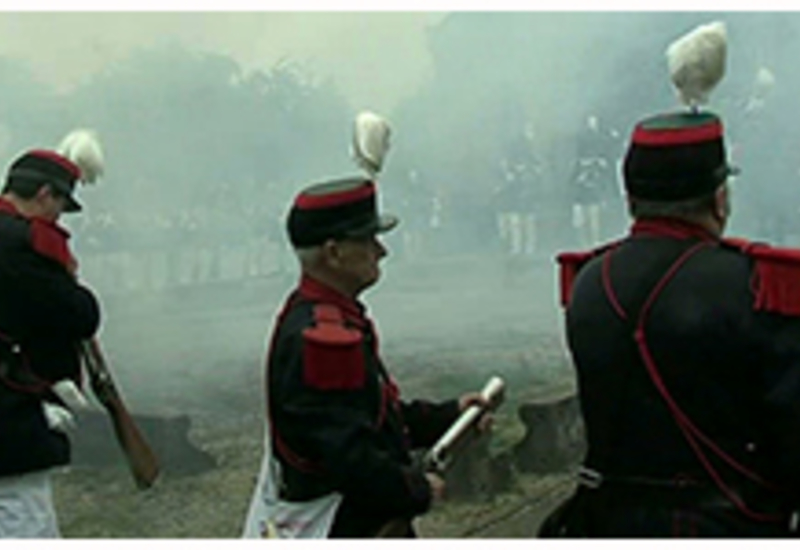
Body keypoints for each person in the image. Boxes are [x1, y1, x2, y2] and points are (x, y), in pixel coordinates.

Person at [540, 109, 800, 537]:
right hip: (728, 524)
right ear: (719, 199)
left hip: (606, 525)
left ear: (631, 200)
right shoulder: (756, 285)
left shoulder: (588, 281)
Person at [243, 176, 490, 538]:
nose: (381, 251)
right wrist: (414, 490)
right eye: (367, 240)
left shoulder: (326, 316)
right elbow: (348, 454)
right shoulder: (323, 339)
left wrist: (448, 415)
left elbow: (371, 415)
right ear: (334, 253)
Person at [0, 148, 101, 537]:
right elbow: (76, 314)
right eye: (59, 203)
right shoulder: (22, 243)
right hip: (10, 414)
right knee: (23, 521)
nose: (59, 216)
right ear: (44, 194)